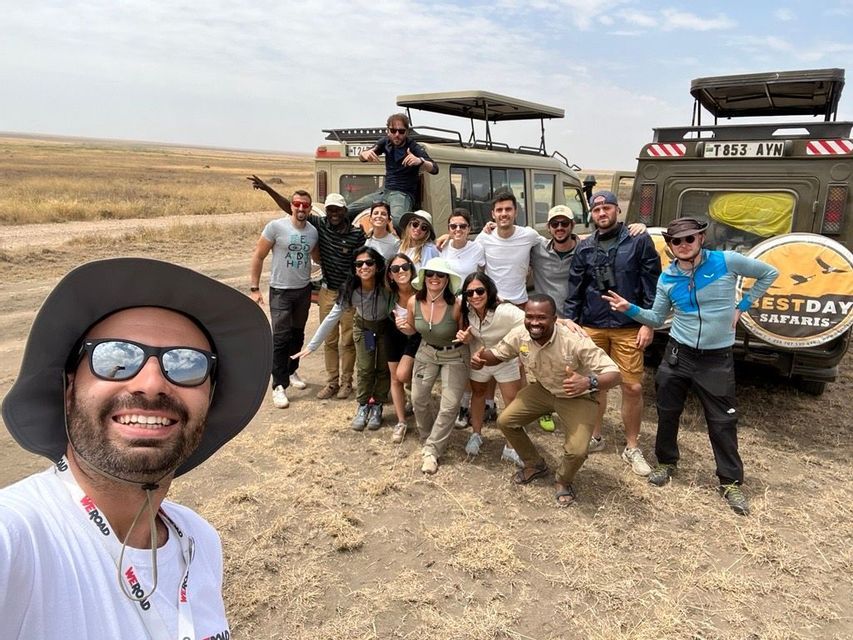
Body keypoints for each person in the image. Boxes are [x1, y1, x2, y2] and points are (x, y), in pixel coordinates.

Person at [0, 257, 272, 639]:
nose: (151, 383)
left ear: (209, 401)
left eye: (186, 364)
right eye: (115, 358)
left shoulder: (198, 541)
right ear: (68, 389)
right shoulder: (16, 537)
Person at [603, 217, 778, 515]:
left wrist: (743, 306)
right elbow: (657, 319)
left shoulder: (726, 261)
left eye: (689, 239)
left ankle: (730, 482)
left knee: (722, 421)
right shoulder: (668, 278)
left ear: (701, 238)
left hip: (716, 357)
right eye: (676, 241)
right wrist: (629, 308)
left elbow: (769, 273)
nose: (683, 245)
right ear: (670, 246)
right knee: (668, 413)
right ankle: (667, 463)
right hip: (678, 354)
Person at [471, 294, 621, 507]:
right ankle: (534, 464)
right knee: (506, 421)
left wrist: (588, 382)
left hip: (576, 395)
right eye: (529, 316)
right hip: (543, 390)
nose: (534, 322)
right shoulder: (521, 334)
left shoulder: (574, 340)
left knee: (577, 450)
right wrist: (481, 358)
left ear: (554, 319)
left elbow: (615, 375)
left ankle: (563, 480)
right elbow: (499, 354)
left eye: (541, 317)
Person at [565, 190, 661, 476]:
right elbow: (575, 289)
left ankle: (632, 446)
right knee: (594, 383)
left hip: (628, 325)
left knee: (632, 386)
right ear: (591, 215)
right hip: (593, 324)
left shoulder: (638, 241)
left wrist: (648, 322)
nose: (602, 213)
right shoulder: (584, 247)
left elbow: (651, 283)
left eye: (607, 208)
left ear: (618, 211)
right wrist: (572, 323)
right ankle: (595, 436)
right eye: (596, 210)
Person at [248, 175, 366, 400]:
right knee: (294, 338)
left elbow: (363, 259)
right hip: (302, 291)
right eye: (330, 209)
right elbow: (290, 211)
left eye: (338, 210)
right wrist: (268, 189)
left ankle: (312, 375)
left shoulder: (342, 232)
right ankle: (286, 384)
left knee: (308, 336)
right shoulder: (304, 226)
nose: (333, 213)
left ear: (344, 211)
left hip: (327, 292)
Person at [295, 247, 392, 431]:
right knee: (365, 367)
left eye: (369, 263)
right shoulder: (351, 289)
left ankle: (377, 405)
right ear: (354, 268)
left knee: (382, 367)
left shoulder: (386, 285)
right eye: (359, 264)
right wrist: (312, 346)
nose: (364, 267)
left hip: (385, 329)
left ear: (377, 265)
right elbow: (332, 317)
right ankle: (363, 405)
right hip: (365, 330)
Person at [249, 188, 320, 409]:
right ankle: (278, 385)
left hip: (303, 289)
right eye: (297, 204)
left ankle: (291, 371)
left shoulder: (313, 231)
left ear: (309, 208)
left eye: (305, 205)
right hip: (280, 290)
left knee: (297, 334)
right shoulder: (276, 227)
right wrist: (254, 287)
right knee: (280, 337)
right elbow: (258, 256)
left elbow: (317, 256)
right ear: (291, 205)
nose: (301, 208)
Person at [402, 258, 468, 475]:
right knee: (418, 399)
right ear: (423, 277)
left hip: (454, 354)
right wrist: (402, 327)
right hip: (426, 352)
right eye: (430, 274)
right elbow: (412, 330)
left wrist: (465, 336)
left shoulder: (457, 304)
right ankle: (428, 437)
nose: (434, 278)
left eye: (440, 275)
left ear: (447, 279)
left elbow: (464, 333)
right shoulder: (413, 301)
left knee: (449, 405)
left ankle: (432, 451)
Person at [456, 272, 525, 459]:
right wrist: (466, 338)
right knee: (478, 394)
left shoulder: (505, 311)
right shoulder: (467, 311)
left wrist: (563, 321)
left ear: (490, 291)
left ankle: (511, 446)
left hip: (504, 360)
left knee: (511, 401)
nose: (475, 296)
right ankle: (476, 434)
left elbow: (531, 319)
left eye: (480, 291)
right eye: (470, 293)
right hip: (479, 361)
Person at [347, 112, 439, 230]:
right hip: (385, 192)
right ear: (388, 130)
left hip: (403, 194)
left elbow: (435, 168)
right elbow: (364, 155)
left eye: (401, 131)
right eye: (393, 130)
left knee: (398, 223)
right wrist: (365, 154)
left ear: (407, 132)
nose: (397, 135)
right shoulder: (385, 142)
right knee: (347, 211)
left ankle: (404, 247)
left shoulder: (413, 146)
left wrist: (420, 161)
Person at [474, 191, 542, 306]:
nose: (504, 213)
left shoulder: (529, 235)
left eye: (508, 209)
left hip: (520, 303)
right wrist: (448, 236)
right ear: (493, 214)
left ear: (515, 212)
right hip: (493, 304)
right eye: (499, 210)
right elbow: (465, 250)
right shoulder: (484, 237)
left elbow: (553, 243)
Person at [385, 252, 421, 443]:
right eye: (395, 269)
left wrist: (410, 327)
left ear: (411, 269)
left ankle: (420, 409)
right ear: (390, 274)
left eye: (405, 267)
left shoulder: (421, 292)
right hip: (392, 335)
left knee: (403, 375)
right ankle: (401, 421)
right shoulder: (388, 294)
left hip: (416, 337)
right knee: (395, 378)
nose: (401, 271)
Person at [440, 208, 485, 281]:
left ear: (469, 229)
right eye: (453, 226)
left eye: (463, 226)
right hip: (447, 292)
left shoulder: (477, 248)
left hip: (468, 291)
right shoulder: (442, 247)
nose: (458, 229)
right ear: (449, 229)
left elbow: (483, 272)